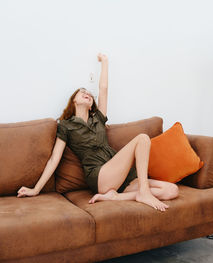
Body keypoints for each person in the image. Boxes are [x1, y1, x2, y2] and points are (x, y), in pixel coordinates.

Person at [16, 53, 178, 212]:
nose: (87, 94)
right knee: (142, 138)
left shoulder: (98, 119)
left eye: (89, 94)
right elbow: (53, 160)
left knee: (171, 190)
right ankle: (143, 193)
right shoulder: (66, 126)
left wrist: (105, 62)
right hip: (100, 175)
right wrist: (35, 189)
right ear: (74, 100)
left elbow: (104, 89)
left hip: (122, 177)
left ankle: (115, 197)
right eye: (82, 92)